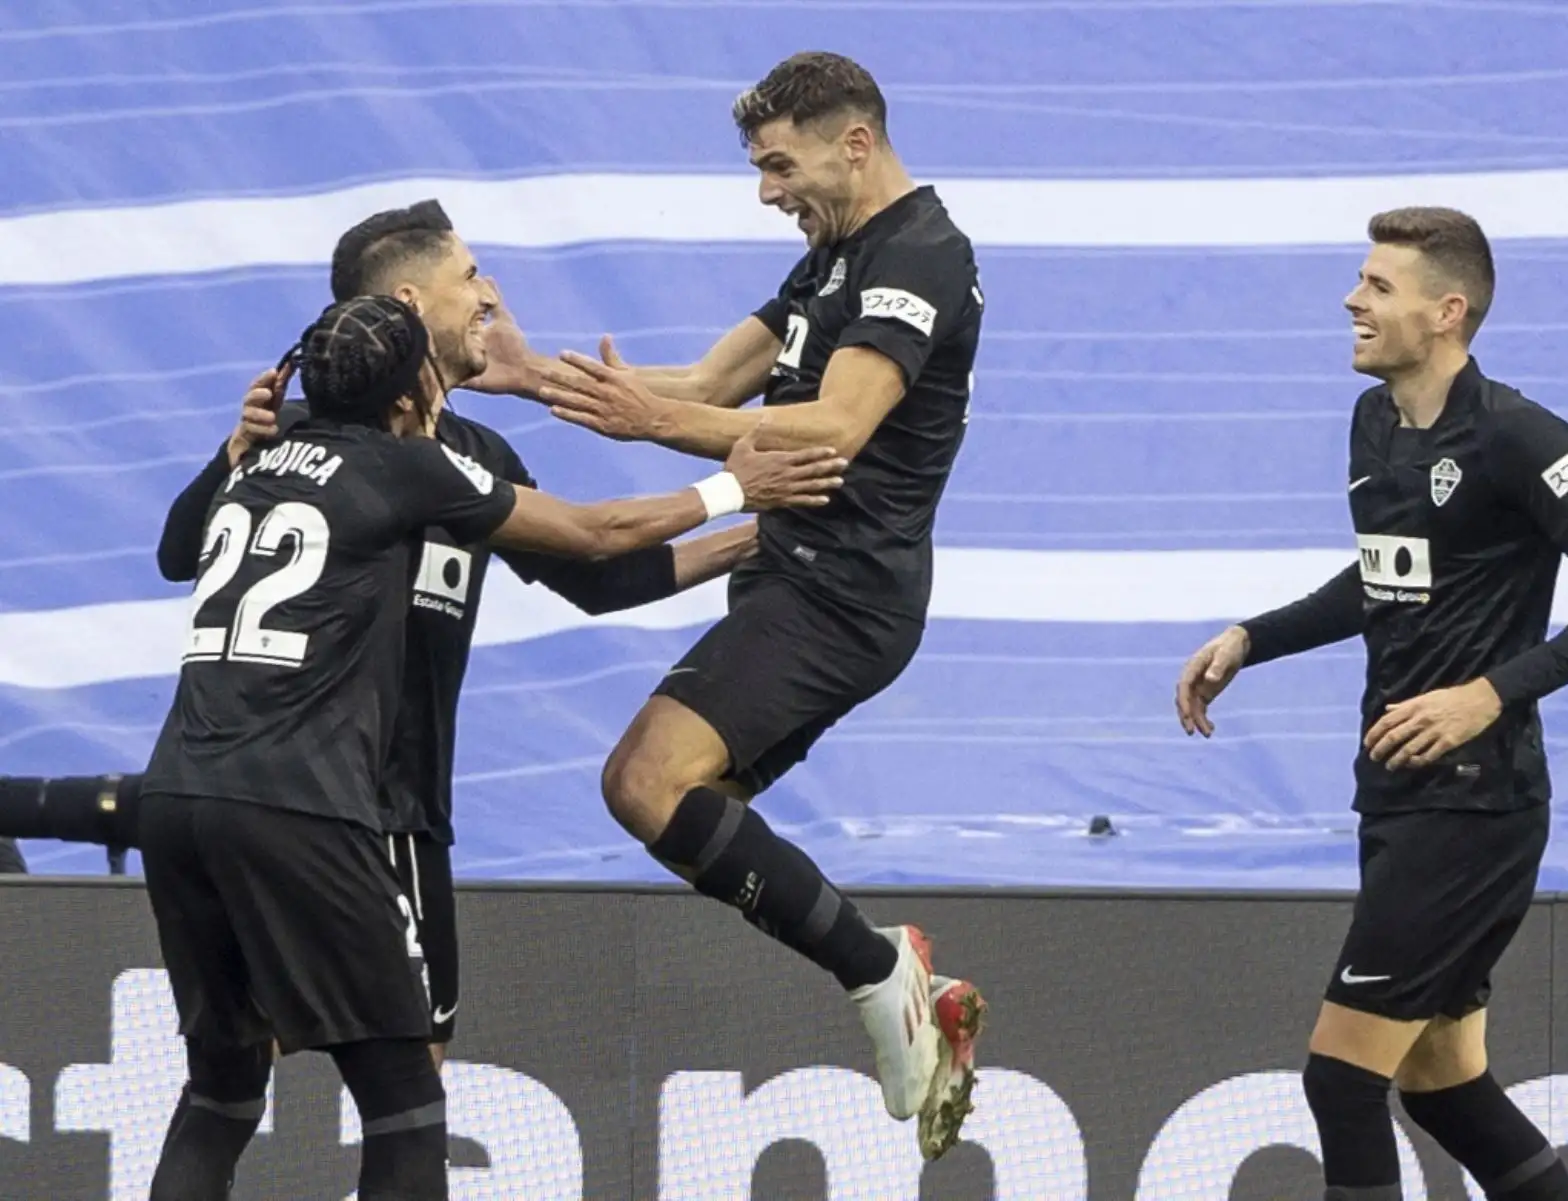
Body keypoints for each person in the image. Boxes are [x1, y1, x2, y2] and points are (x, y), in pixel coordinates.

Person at [0, 199, 757, 1068]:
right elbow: (179, 551)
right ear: (409, 301)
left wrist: (755, 539)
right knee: (395, 1085)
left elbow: (604, 578)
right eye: (469, 276)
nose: (491, 293)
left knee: (284, 1080)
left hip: (405, 805)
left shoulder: (474, 457)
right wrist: (742, 494)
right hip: (333, 802)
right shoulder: (310, 440)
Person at [136, 293, 843, 1200]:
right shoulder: (407, 467)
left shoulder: (256, 455)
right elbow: (596, 534)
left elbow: (171, 549)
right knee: (404, 1106)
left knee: (222, 1089)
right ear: (407, 403)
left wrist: (234, 446)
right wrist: (731, 485)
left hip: (176, 797)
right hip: (301, 807)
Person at [465, 51, 987, 1159]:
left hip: (842, 598)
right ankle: (897, 982)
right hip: (802, 584)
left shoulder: (924, 254)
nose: (767, 192)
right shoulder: (831, 257)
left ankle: (881, 972)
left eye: (777, 165)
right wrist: (531, 378)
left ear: (854, 140)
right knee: (682, 811)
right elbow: (704, 386)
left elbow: (837, 429)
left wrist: (651, 434)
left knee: (643, 779)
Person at [1175, 207, 1568, 1201]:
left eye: (1378, 286)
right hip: (1400, 795)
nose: (1353, 300)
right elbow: (1386, 581)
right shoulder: (1373, 426)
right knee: (1443, 1084)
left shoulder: (1520, 435)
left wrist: (1488, 694)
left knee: (1342, 1080)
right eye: (1360, 282)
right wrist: (1252, 637)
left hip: (1474, 807)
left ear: (1446, 313)